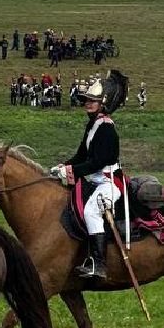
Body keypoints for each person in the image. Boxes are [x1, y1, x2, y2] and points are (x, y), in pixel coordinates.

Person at [52, 75, 122, 279]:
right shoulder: (92, 124)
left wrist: (72, 171)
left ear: (103, 104)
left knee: (92, 210)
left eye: (93, 101)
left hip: (110, 181)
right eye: (86, 100)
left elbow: (99, 161)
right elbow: (82, 155)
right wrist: (64, 166)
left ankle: (99, 264)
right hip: (95, 180)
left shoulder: (106, 127)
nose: (88, 104)